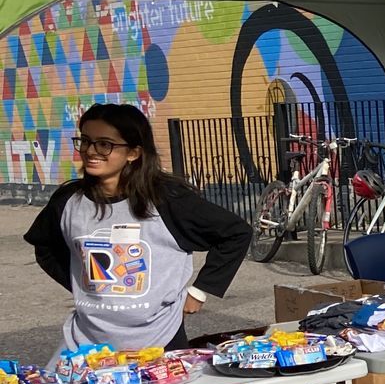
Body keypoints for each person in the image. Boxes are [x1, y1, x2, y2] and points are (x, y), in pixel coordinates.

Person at [25, 103, 250, 353]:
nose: (91, 151)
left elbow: (236, 233)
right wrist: (87, 284)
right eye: (86, 141)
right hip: (88, 343)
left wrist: (200, 291)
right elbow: (45, 247)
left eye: (104, 144)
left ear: (133, 153)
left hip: (160, 339)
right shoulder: (68, 201)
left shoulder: (166, 199)